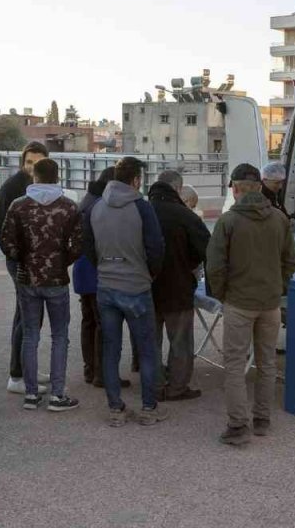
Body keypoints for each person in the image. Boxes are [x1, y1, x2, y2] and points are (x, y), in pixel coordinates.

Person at [207, 165, 295, 446]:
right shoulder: (279, 219)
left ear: (235, 189)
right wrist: (278, 286)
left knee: (235, 365)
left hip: (239, 302)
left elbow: (215, 267)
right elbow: (291, 261)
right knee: (267, 362)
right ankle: (262, 420)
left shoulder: (228, 221)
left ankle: (238, 426)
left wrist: (224, 295)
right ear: (260, 187)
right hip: (270, 303)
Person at [83, 156, 168, 427]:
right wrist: (150, 274)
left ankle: (115, 408)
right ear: (136, 180)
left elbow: (88, 246)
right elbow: (156, 246)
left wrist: (104, 268)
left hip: (106, 286)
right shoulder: (141, 207)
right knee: (147, 349)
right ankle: (148, 408)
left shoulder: (96, 207)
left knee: (110, 349)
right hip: (136, 286)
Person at [0, 158, 82, 412]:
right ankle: (57, 395)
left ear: (34, 176)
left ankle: (31, 394)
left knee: (30, 336)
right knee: (60, 336)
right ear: (57, 177)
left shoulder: (18, 205)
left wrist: (24, 260)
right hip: (56, 279)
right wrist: (61, 262)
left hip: (27, 279)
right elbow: (79, 244)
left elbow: (6, 243)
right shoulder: (68, 206)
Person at [0, 142, 52, 395]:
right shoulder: (12, 188)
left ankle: (27, 367)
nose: (33, 167)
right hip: (21, 262)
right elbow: (1, 229)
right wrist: (21, 256)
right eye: (29, 162)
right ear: (22, 162)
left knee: (31, 316)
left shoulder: (43, 186)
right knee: (26, 316)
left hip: (37, 262)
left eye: (38, 163)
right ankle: (17, 375)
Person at [147, 169, 209, 401]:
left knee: (150, 341)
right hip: (178, 287)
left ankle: (154, 385)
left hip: (145, 287)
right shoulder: (186, 216)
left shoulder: (142, 211)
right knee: (180, 341)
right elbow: (206, 250)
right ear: (178, 188)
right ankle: (177, 387)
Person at [73, 168, 133, 389]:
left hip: (83, 270)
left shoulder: (87, 200)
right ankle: (103, 374)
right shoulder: (100, 205)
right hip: (97, 271)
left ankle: (90, 369)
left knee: (89, 321)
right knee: (104, 324)